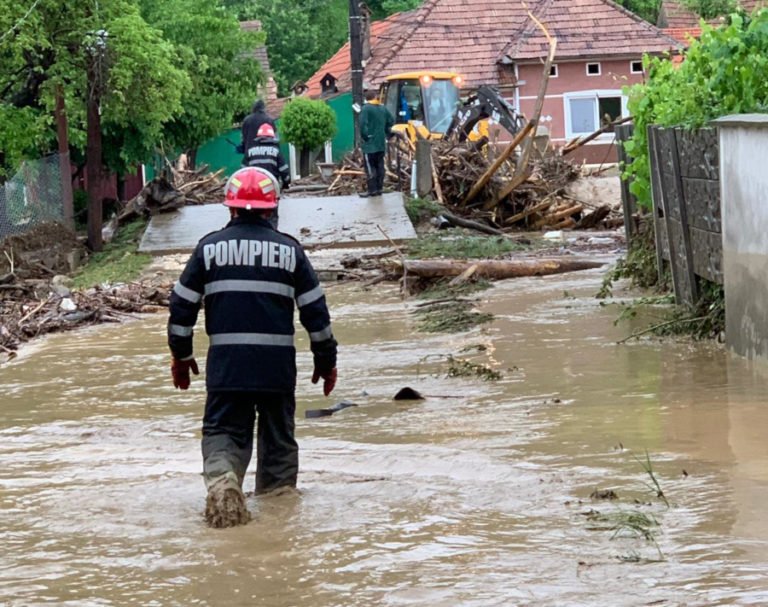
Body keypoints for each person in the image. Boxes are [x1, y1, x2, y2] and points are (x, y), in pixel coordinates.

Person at [167, 166, 338, 529]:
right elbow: (316, 315)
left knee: (222, 433)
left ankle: (224, 482)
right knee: (278, 446)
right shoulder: (291, 252)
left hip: (227, 369)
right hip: (276, 372)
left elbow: (181, 308)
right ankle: (277, 522)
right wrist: (326, 361)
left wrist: (181, 356)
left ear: (230, 208)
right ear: (271, 208)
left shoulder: (208, 248)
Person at [359, 88, 394, 197]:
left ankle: (372, 190)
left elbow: (362, 125)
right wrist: (387, 133)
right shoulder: (383, 108)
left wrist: (365, 137)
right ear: (375, 97)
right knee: (380, 166)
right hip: (381, 144)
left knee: (370, 167)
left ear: (366, 98)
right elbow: (391, 121)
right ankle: (379, 188)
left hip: (370, 145)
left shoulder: (365, 109)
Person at [243, 123, 290, 191]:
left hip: (254, 188)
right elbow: (284, 171)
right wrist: (286, 183)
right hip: (271, 187)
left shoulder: (250, 151)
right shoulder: (276, 151)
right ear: (272, 137)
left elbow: (243, 171)